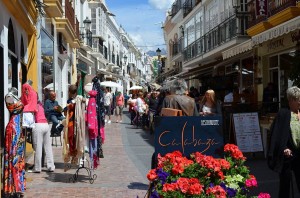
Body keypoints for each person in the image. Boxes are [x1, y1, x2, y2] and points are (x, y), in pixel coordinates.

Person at [267, 86, 300, 197]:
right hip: (288, 155)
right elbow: (276, 135)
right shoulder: (284, 114)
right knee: (285, 186)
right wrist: (284, 148)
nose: (299, 101)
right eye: (297, 99)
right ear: (290, 100)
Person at [4, 87, 26, 196]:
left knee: (19, 158)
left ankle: (18, 186)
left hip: (18, 130)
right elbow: (14, 111)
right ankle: (11, 187)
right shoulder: (9, 97)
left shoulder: (15, 97)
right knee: (12, 158)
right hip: (12, 130)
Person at [30, 100, 55, 173]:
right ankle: (51, 166)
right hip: (45, 125)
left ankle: (37, 168)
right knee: (48, 147)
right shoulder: (40, 105)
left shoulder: (32, 106)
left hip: (38, 125)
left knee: (38, 147)